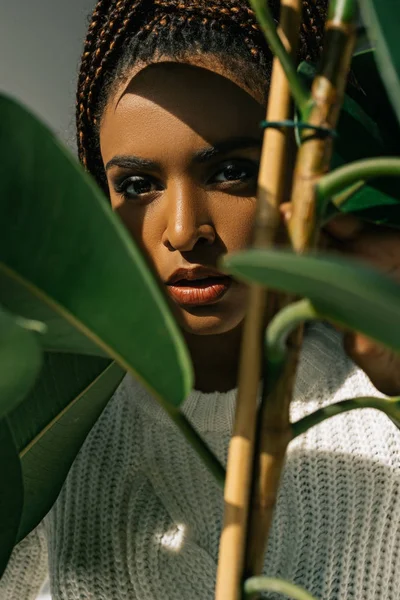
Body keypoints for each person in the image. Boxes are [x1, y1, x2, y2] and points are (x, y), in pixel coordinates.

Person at [2, 1, 400, 598]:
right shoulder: (42, 436)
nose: (185, 230)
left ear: (303, 174)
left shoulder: (381, 401)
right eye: (137, 186)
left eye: (232, 172)